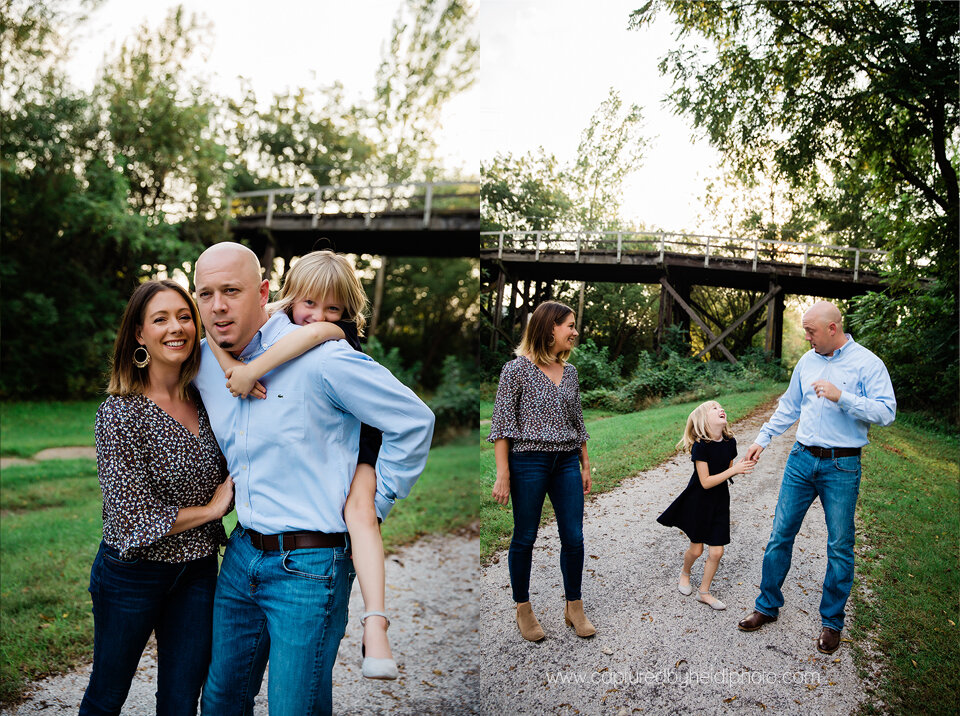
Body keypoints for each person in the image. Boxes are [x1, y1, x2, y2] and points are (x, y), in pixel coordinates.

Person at [192, 242, 434, 716]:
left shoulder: (327, 358)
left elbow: (414, 420)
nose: (219, 305)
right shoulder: (203, 361)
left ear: (263, 293)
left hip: (309, 567)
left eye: (232, 291)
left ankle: (375, 627)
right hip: (241, 556)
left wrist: (373, 499)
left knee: (294, 708)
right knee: (220, 701)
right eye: (207, 294)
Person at [80, 280, 234, 716]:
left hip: (197, 571)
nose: (176, 328)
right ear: (139, 334)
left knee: (182, 701)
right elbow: (131, 520)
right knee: (107, 694)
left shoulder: (208, 399)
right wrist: (212, 509)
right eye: (161, 318)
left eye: (185, 316)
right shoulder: (120, 412)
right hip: (132, 574)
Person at [737, 301, 896, 655]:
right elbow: (789, 406)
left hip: (842, 466)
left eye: (810, 331)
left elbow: (887, 411)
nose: (805, 336)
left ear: (832, 329)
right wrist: (761, 439)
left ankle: (832, 622)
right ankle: (766, 606)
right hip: (800, 459)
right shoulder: (807, 362)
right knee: (780, 534)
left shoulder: (868, 364)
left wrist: (844, 397)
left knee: (839, 545)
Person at [488, 300, 594, 641]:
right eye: (570, 325)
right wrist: (502, 473)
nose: (575, 332)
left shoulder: (571, 373)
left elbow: (578, 423)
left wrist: (585, 464)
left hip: (565, 462)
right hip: (528, 462)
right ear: (550, 328)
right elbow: (503, 426)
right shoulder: (515, 370)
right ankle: (523, 609)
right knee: (525, 537)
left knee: (574, 537)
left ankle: (573, 606)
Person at [656, 400, 756, 611]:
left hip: (720, 501)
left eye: (721, 406)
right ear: (703, 420)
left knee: (717, 552)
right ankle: (685, 573)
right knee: (697, 549)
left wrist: (736, 469)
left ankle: (704, 592)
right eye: (714, 408)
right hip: (698, 502)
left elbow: (727, 470)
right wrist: (734, 471)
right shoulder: (701, 446)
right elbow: (706, 481)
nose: (721, 409)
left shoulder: (730, 442)